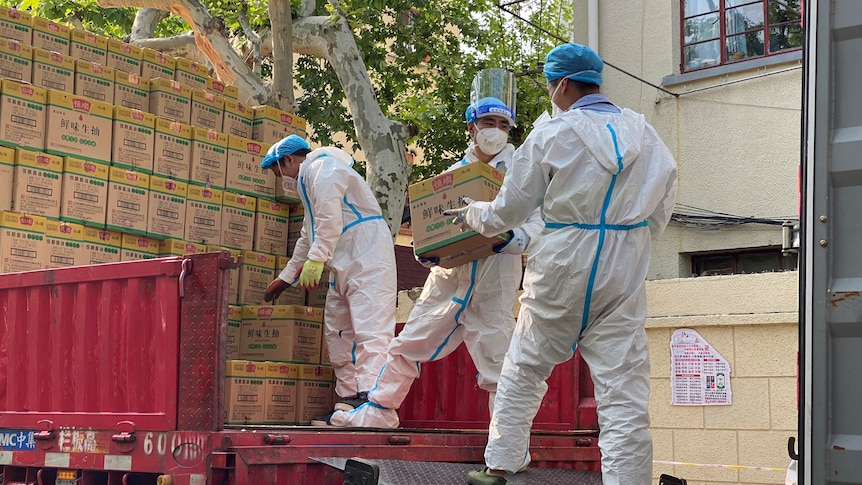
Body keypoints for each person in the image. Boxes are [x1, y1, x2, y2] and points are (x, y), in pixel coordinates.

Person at [448, 44, 678, 485]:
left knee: (524, 366)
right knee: (623, 391)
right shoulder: (646, 135)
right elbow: (662, 206)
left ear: (563, 84)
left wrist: (472, 212)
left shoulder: (552, 134)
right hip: (623, 265)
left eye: (551, 84)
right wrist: (628, 240)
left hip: (563, 264)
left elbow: (506, 214)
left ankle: (501, 462)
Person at [328, 93, 543, 433]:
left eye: (504, 125)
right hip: (448, 280)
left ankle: (506, 443)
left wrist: (513, 239)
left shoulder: (521, 175)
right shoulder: (452, 177)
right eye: (489, 123)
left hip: (492, 282)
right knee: (407, 344)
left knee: (498, 364)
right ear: (472, 128)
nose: (496, 131)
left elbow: (536, 224)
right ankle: (379, 411)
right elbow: (431, 229)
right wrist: (425, 253)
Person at [260, 134, 397, 425]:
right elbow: (308, 234)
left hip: (367, 254)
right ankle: (349, 401)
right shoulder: (308, 182)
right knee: (340, 331)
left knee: (370, 329)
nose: (278, 178)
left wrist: (317, 258)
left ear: (287, 160)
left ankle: (374, 402)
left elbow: (328, 219)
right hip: (343, 259)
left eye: (276, 171)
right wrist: (287, 277)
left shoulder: (322, 170)